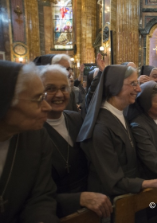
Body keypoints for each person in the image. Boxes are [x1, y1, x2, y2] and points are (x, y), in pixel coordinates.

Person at [77, 66, 157, 210]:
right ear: (114, 86)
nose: (139, 89)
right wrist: (150, 183)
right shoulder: (101, 127)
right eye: (133, 83)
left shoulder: (119, 114)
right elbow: (113, 180)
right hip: (110, 205)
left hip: (129, 197)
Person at [39, 65, 113, 218]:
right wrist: (77, 199)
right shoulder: (31, 131)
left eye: (64, 88)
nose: (60, 94)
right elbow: (33, 196)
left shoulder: (77, 119)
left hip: (91, 211)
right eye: (51, 88)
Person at [0, 61, 58, 223]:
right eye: (38, 99)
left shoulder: (37, 137)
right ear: (5, 101)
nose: (47, 107)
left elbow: (40, 197)